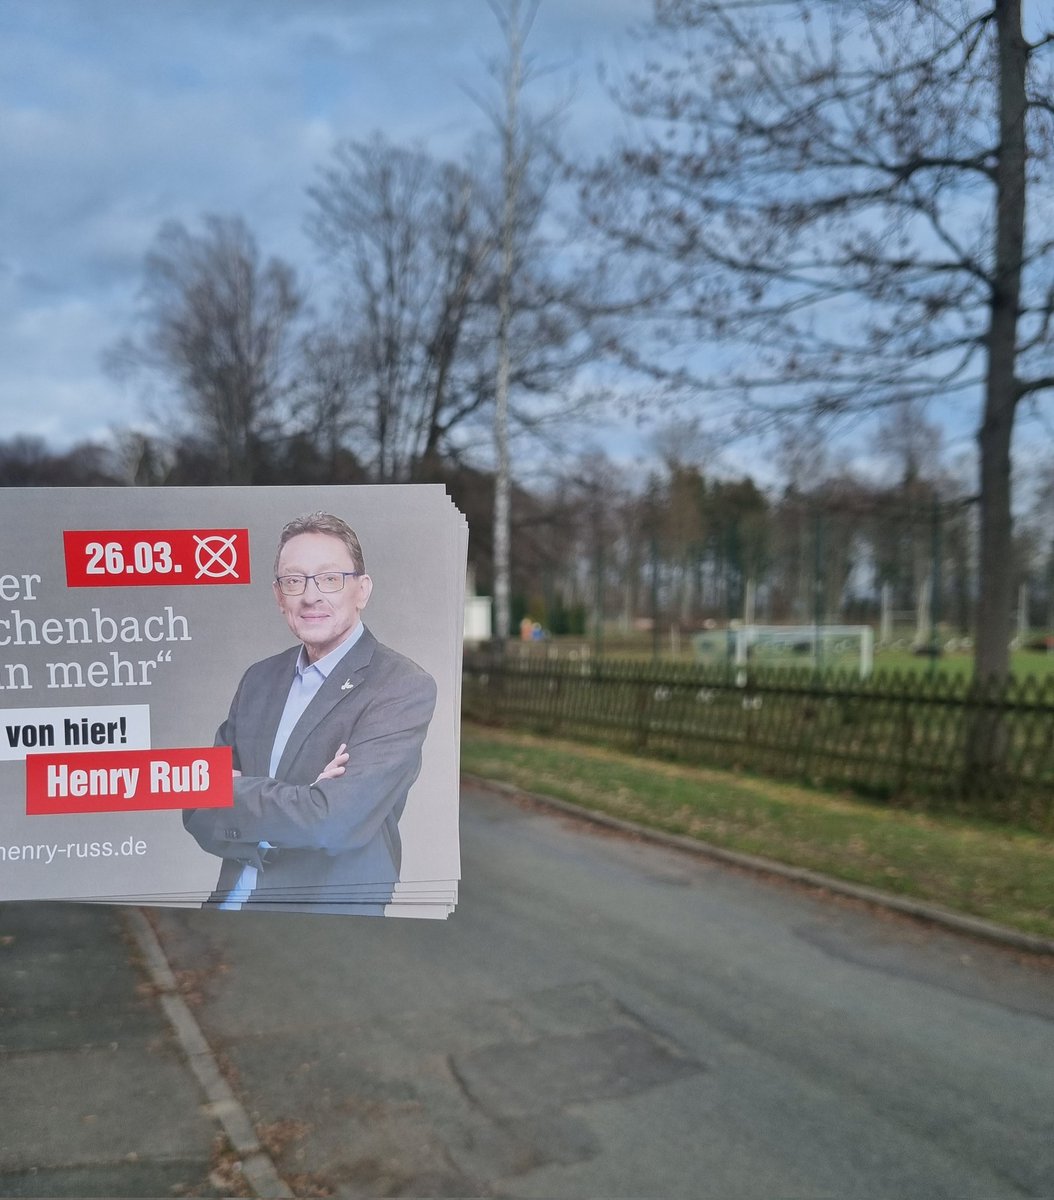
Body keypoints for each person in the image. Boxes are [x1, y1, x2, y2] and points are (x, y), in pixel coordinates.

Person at [183, 511, 437, 909]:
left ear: (362, 590)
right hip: (231, 905)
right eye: (293, 580)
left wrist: (231, 792)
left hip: (327, 919)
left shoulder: (401, 686)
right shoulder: (258, 679)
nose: (310, 595)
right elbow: (196, 806)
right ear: (278, 595)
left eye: (330, 578)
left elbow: (333, 823)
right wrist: (307, 796)